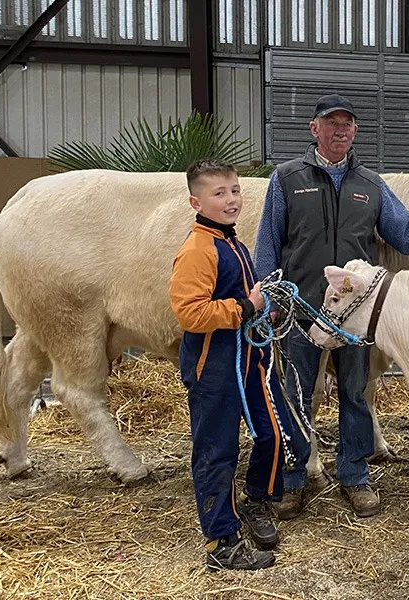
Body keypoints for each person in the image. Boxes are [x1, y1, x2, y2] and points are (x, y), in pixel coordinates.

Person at [253, 93, 409, 519]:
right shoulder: (286, 178)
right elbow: (268, 243)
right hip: (301, 309)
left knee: (356, 394)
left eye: (347, 124)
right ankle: (292, 480)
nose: (340, 130)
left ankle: (354, 475)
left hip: (354, 315)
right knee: (295, 396)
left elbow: (408, 234)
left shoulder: (371, 184)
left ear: (355, 131)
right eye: (331, 123)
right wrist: (270, 295)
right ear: (315, 128)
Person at [170, 158, 289, 572]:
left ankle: (258, 501)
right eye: (219, 193)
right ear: (195, 202)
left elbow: (245, 299)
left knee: (274, 433)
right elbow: (191, 314)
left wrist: (263, 310)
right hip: (214, 369)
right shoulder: (197, 250)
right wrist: (247, 306)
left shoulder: (233, 242)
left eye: (235, 190)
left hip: (248, 359)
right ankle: (222, 541)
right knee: (216, 453)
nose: (231, 199)